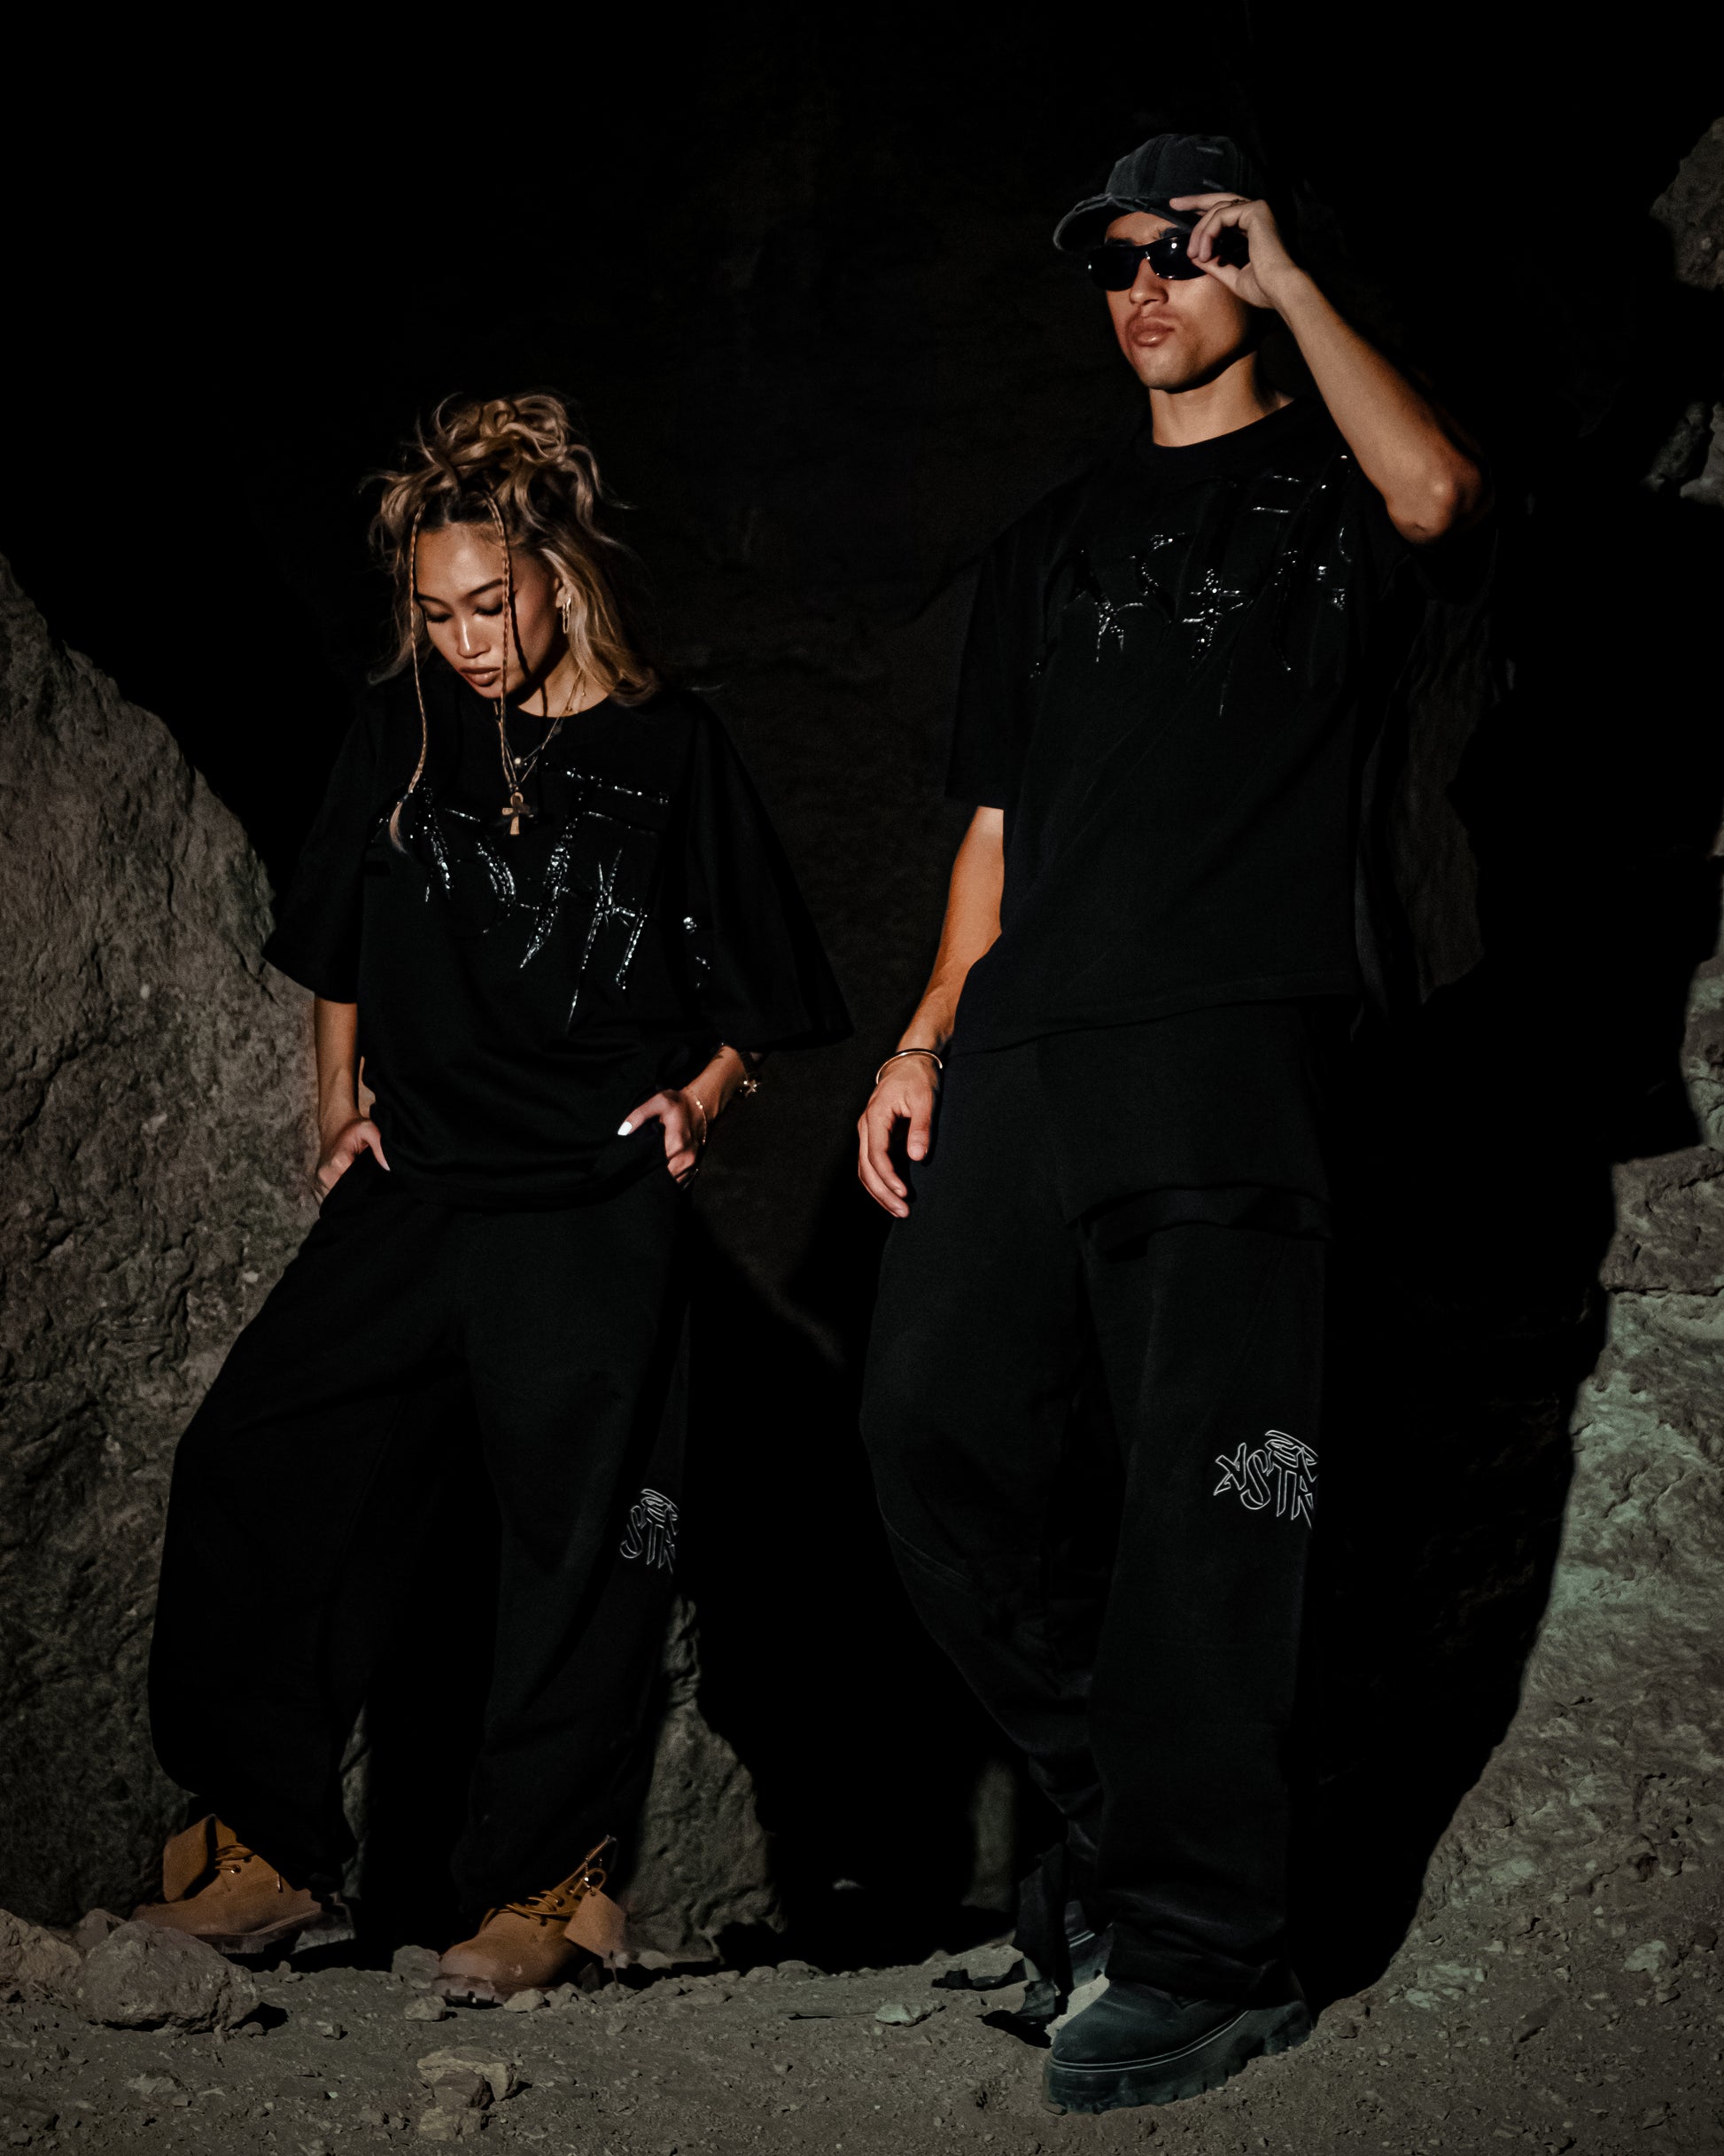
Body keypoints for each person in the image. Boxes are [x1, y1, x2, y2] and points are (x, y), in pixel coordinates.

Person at [858, 134, 1487, 2113]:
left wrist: (1289, 278)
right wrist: (922, 1034)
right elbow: (995, 821)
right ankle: (1129, 1839)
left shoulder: (1337, 484)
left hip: (1237, 1047)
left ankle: (1212, 1950)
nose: (1145, 286)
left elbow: (1439, 495)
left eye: (1189, 251)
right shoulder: (1049, 537)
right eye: (1118, 260)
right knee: (930, 1431)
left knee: (1214, 1500)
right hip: (1029, 1045)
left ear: (1258, 267)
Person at [139, 393, 848, 2000]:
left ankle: (544, 1883)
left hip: (587, 1197)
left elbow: (760, 986)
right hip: (421, 1183)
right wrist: (337, 1102)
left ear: (560, 576)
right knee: (255, 1455)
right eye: (436, 611)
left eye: (490, 605)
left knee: (578, 1539)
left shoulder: (671, 748)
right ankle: (260, 1848)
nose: (465, 642)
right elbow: (334, 933)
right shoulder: (399, 727)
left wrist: (702, 1098)